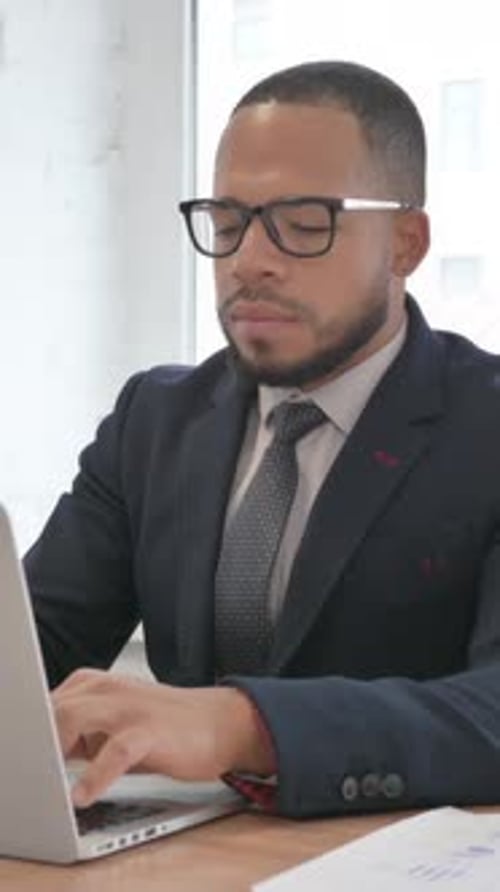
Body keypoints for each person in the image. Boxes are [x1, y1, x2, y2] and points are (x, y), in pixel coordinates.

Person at [25, 60, 500, 818]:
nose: (249, 260)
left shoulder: (484, 428)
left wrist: (245, 724)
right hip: (190, 862)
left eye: (305, 225)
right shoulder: (156, 419)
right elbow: (32, 650)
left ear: (407, 243)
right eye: (227, 223)